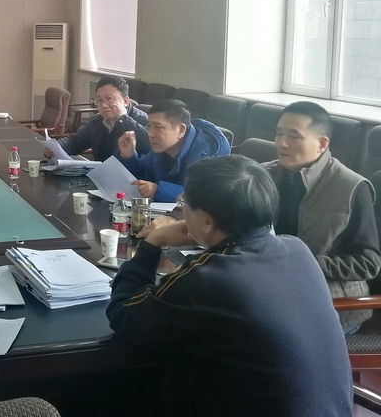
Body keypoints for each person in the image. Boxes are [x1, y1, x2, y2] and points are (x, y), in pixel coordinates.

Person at [106, 155, 353, 416]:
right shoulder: (296, 248)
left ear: (207, 221)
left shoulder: (208, 277)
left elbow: (124, 314)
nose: (183, 209)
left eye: (185, 202)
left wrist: (152, 243)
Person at [266, 101, 381, 333]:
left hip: (330, 306)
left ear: (321, 144)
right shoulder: (263, 175)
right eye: (278, 134)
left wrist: (310, 262)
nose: (281, 143)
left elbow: (369, 263)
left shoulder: (351, 187)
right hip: (270, 291)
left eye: (293, 137)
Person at [117, 98, 230, 202]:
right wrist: (128, 156)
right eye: (149, 126)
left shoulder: (203, 158)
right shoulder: (163, 148)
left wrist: (158, 190)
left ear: (181, 130)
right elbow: (142, 173)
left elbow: (202, 197)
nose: (150, 134)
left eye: (158, 127)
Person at [55, 75, 149, 161]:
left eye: (109, 99)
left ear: (125, 101)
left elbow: (148, 147)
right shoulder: (96, 121)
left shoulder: (143, 120)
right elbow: (75, 142)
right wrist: (57, 147)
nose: (103, 105)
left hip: (130, 173)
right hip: (101, 172)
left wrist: (122, 119)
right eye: (99, 100)